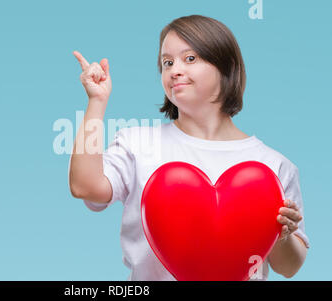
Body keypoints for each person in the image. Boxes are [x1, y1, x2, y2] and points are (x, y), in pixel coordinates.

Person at [68, 15, 309, 281]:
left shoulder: (273, 165)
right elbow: (85, 187)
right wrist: (97, 102)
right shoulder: (137, 143)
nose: (174, 70)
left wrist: (283, 235)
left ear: (226, 66)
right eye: (167, 63)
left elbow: (288, 267)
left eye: (190, 59)